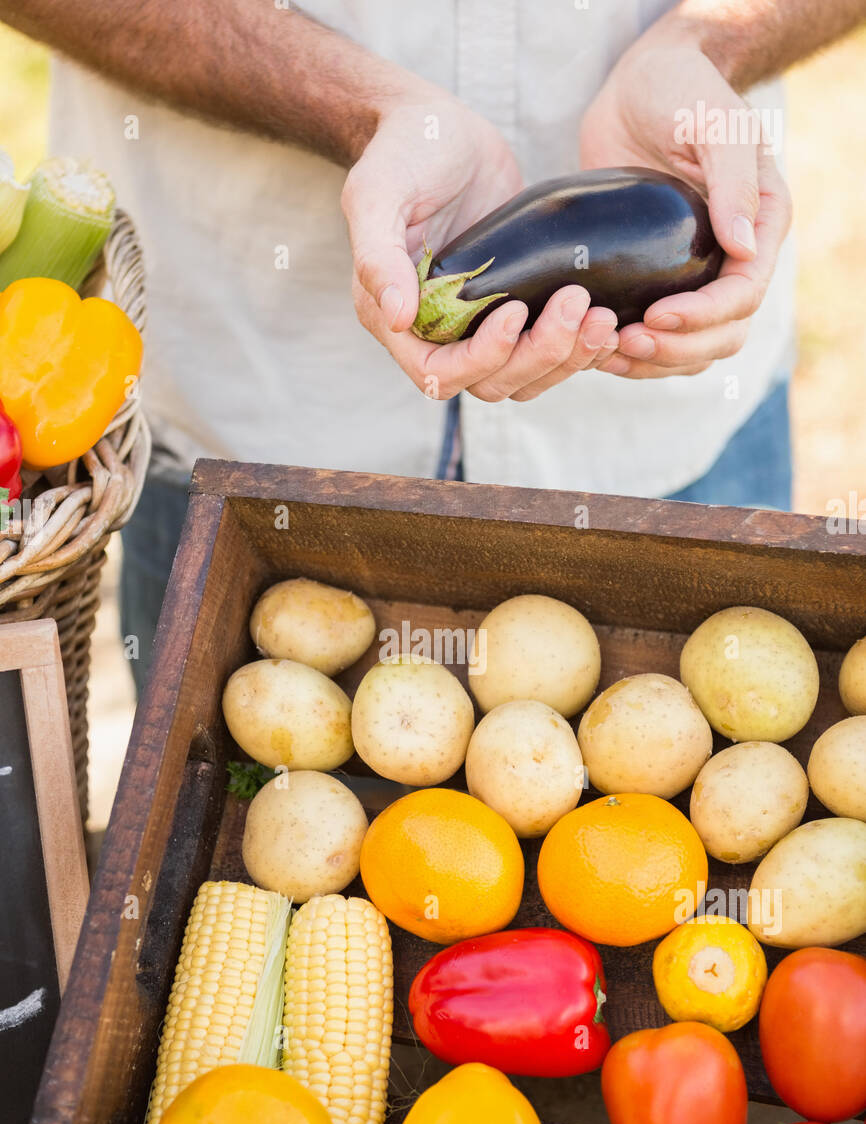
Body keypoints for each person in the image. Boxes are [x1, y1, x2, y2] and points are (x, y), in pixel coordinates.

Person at [3, 0, 865, 692]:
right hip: (245, 430)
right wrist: (360, 109)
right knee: (209, 789)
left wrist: (710, 43)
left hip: (674, 434)